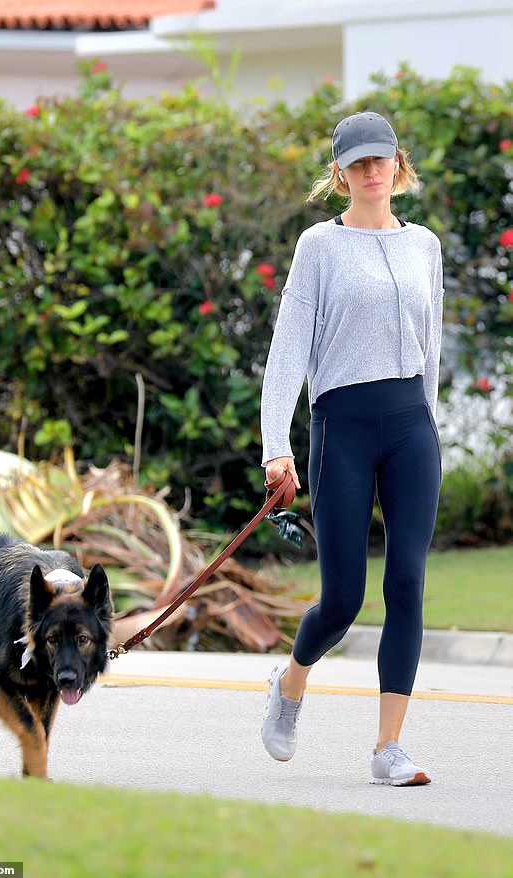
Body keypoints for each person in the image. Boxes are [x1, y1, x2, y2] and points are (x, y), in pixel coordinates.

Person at [260, 111, 444, 786]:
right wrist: (275, 444)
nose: (373, 172)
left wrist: (430, 427)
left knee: (408, 584)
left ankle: (388, 748)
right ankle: (290, 685)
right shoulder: (319, 247)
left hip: (410, 428)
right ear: (339, 174)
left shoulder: (425, 245)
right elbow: (288, 351)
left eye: (383, 160)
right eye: (359, 163)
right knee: (342, 598)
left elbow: (433, 347)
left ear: (399, 164)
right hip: (342, 423)